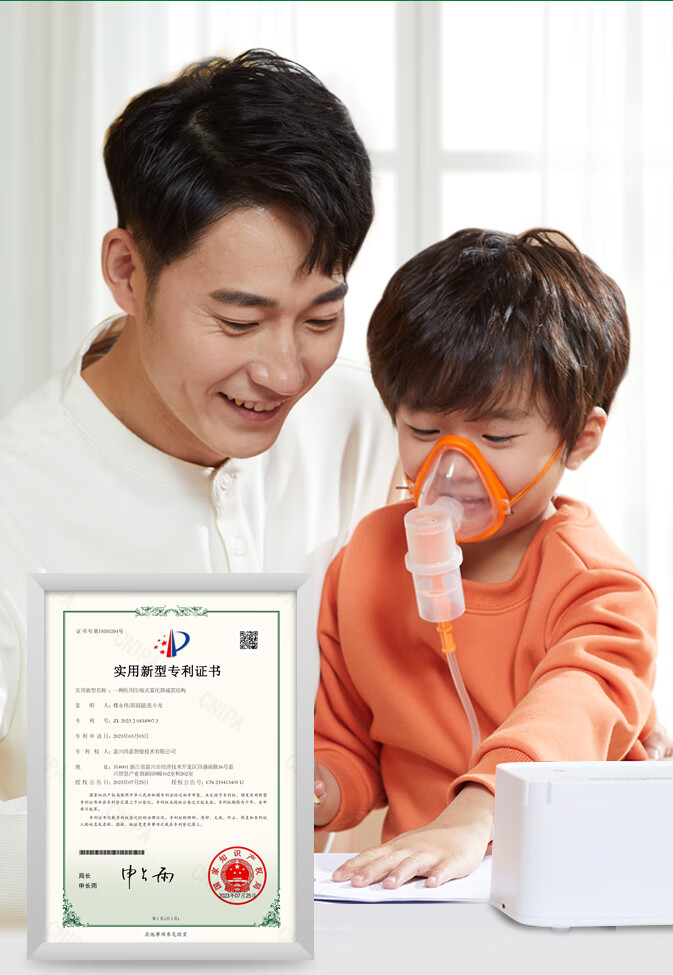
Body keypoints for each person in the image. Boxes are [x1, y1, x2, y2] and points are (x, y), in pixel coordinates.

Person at [0, 51, 398, 910]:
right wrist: (165, 822)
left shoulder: (374, 432)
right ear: (127, 271)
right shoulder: (15, 506)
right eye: (238, 319)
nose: (284, 371)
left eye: (322, 317)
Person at [314, 227, 673, 889]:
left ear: (579, 439)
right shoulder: (366, 561)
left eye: (498, 435)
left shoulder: (601, 590)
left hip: (574, 888)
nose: (453, 465)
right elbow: (344, 744)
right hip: (421, 891)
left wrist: (471, 817)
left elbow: (570, 713)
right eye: (424, 429)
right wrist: (310, 788)